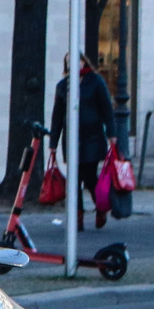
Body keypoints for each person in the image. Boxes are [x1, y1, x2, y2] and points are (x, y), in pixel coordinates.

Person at [50, 56, 116, 230]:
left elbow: (106, 109)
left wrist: (111, 134)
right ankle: (78, 215)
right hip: (71, 138)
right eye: (68, 61)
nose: (73, 63)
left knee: (89, 176)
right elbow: (57, 116)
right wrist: (53, 143)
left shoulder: (95, 81)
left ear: (83, 61)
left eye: (76, 60)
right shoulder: (63, 86)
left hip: (92, 137)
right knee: (74, 178)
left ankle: (100, 207)